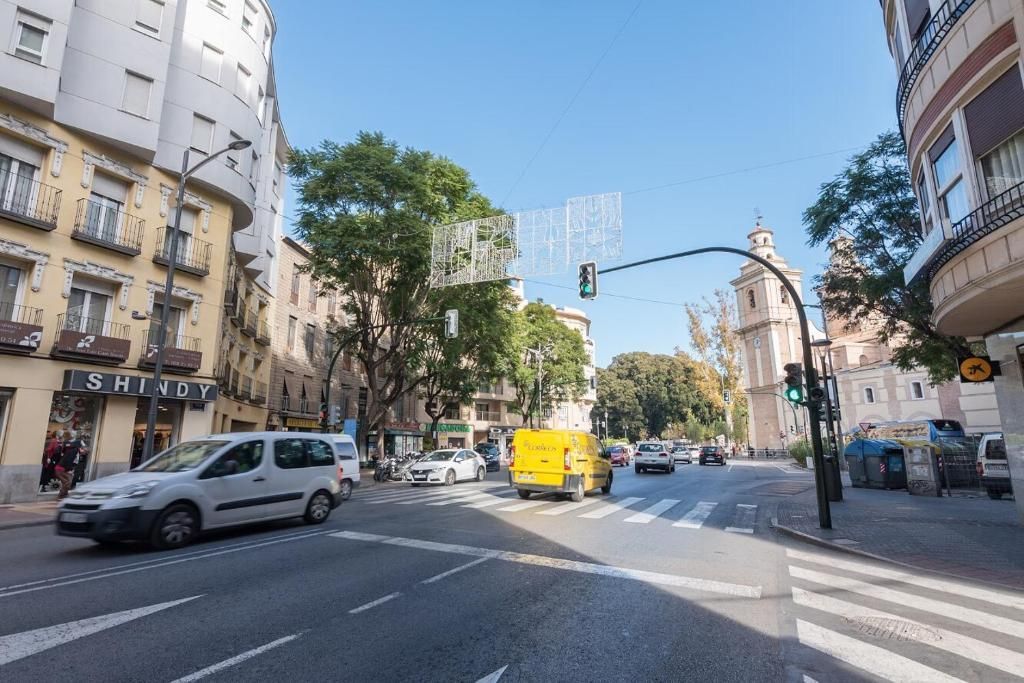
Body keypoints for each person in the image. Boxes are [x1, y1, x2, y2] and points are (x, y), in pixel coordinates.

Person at [54, 431, 82, 500]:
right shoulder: (73, 451)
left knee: (67, 482)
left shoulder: (74, 450)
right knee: (67, 482)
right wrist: (69, 469)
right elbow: (68, 460)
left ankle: (64, 495)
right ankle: (61, 496)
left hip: (64, 468)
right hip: (61, 468)